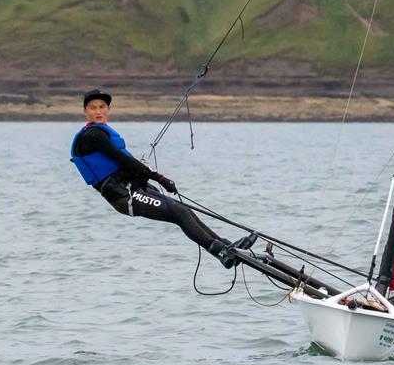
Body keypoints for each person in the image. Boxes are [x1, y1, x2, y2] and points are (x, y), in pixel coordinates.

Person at [70, 89, 255, 267]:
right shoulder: (93, 136)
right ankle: (221, 253)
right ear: (85, 111)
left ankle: (225, 246)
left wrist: (147, 178)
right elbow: (123, 160)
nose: (98, 111)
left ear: (108, 109)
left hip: (132, 188)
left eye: (102, 107)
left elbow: (125, 165)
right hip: (124, 196)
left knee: (183, 209)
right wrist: (160, 179)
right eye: (93, 108)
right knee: (179, 213)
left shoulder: (102, 132)